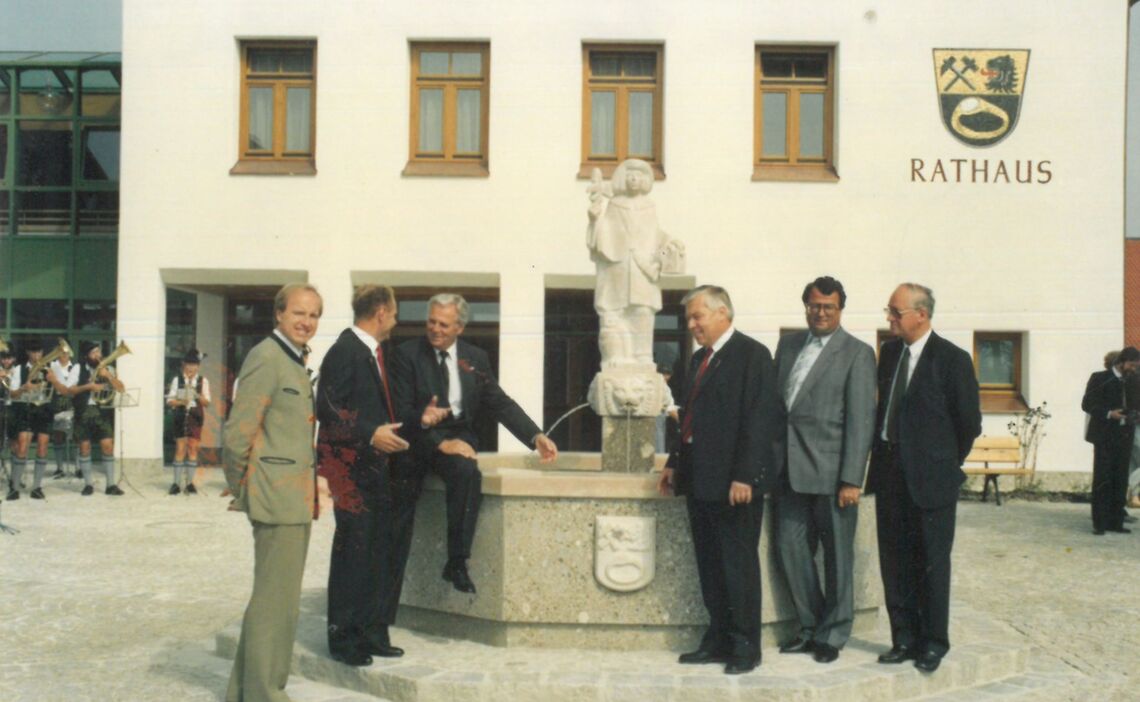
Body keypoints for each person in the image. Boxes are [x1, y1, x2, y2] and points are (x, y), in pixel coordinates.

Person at [316, 285, 449, 666]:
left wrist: (417, 421)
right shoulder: (346, 350)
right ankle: (343, 640)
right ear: (379, 312)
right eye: (392, 313)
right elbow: (328, 410)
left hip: (377, 475)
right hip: (352, 476)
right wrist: (369, 434)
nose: (395, 320)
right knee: (353, 557)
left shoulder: (374, 353)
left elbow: (378, 412)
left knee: (376, 556)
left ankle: (371, 632)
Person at [391, 293, 558, 594]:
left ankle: (457, 561)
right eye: (431, 321)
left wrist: (536, 436)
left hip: (459, 439)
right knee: (397, 500)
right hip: (416, 441)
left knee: (468, 473)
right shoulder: (406, 354)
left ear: (460, 328)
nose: (435, 329)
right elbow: (400, 412)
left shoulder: (474, 358)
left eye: (444, 324)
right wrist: (439, 443)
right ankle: (389, 577)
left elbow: (499, 402)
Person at [657, 285, 777, 675]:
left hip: (734, 485)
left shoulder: (752, 355)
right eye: (690, 318)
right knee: (710, 564)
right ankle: (718, 637)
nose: (692, 325)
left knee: (738, 565)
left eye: (697, 317)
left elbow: (760, 421)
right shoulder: (698, 360)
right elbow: (688, 418)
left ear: (723, 312)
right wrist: (675, 462)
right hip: (700, 479)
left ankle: (746, 646)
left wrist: (745, 475)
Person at [865, 283, 981, 674]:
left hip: (931, 481)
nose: (889, 318)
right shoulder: (890, 353)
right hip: (890, 476)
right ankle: (904, 639)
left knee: (931, 562)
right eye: (889, 310)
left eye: (895, 312)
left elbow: (969, 424)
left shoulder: (953, 360)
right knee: (894, 560)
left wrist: (942, 462)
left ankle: (933, 642)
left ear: (922, 314)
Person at [223, 283, 322, 702]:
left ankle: (244, 693)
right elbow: (236, 434)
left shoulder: (293, 359)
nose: (306, 322)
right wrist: (245, 489)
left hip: (293, 497)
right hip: (275, 496)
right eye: (299, 313)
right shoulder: (266, 357)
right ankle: (264, 694)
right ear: (279, 314)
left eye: (314, 315)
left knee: (278, 603)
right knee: (273, 604)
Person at [772, 276, 876, 664]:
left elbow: (861, 420)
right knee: (788, 546)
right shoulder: (788, 345)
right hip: (788, 471)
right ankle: (811, 626)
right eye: (814, 306)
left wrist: (852, 478)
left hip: (833, 475)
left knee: (837, 557)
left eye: (828, 307)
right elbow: (776, 405)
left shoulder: (857, 353)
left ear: (840, 310)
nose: (820, 313)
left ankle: (833, 634)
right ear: (806, 306)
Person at [586, 158, 684, 366]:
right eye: (630, 175)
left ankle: (642, 355)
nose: (634, 179)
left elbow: (654, 234)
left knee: (642, 312)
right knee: (615, 312)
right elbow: (604, 232)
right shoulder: (615, 204)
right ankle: (615, 356)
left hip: (642, 267)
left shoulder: (649, 206)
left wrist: (669, 242)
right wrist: (595, 219)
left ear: (646, 179)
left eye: (639, 175)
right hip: (618, 265)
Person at [1081, 346, 1140, 535]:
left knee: (1120, 479)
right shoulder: (1100, 378)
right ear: (1121, 362)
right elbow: (1087, 404)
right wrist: (1109, 414)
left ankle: (1116, 521)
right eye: (1131, 365)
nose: (1134, 369)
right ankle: (1100, 523)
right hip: (1105, 436)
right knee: (1103, 478)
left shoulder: (1134, 380)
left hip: (1125, 435)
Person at [9, 340, 67, 500]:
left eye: (39, 352)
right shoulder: (19, 369)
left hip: (45, 410)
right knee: (22, 448)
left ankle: (37, 488)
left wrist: (54, 380)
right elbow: (12, 394)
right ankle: (14, 488)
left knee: (42, 448)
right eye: (33, 352)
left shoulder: (53, 367)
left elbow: (64, 390)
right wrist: (22, 388)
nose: (37, 356)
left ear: (43, 353)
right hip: (26, 409)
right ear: (28, 353)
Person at [69, 342, 126, 496]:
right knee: (85, 448)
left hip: (103, 412)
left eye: (99, 352)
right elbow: (70, 390)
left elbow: (121, 388)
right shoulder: (77, 368)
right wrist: (88, 387)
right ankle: (88, 484)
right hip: (83, 411)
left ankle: (111, 485)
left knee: (107, 447)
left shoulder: (109, 368)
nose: (98, 355)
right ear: (86, 356)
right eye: (93, 353)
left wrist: (108, 375)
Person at [166, 349, 211, 495]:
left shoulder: (203, 381)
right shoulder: (177, 379)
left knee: (192, 448)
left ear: (198, 367)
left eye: (194, 365)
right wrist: (180, 401)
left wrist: (196, 394)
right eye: (189, 364)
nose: (191, 368)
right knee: (180, 448)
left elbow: (207, 402)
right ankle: (176, 483)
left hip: (195, 416)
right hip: (180, 414)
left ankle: (191, 483)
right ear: (184, 365)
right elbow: (169, 401)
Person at [49, 341, 79, 480]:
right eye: (61, 352)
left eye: (66, 353)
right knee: (58, 435)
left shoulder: (75, 367)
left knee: (76, 436)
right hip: (57, 402)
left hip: (73, 401)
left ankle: (78, 467)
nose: (64, 355)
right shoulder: (52, 366)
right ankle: (60, 467)